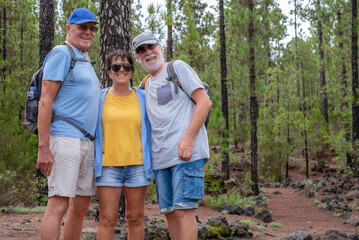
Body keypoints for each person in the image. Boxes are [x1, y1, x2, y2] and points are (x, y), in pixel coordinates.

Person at [133, 32, 212, 240]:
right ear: (138, 58)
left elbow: (204, 102)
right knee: (169, 212)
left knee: (184, 210)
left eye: (151, 46)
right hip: (161, 159)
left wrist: (188, 138)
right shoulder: (145, 85)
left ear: (160, 47)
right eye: (141, 50)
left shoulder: (177, 68)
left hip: (186, 154)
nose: (148, 52)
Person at [36, 8, 100, 240]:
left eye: (92, 28)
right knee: (59, 204)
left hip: (87, 142)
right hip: (64, 138)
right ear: (69, 28)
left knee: (81, 205)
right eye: (82, 27)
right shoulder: (62, 53)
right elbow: (46, 100)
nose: (88, 32)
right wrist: (44, 148)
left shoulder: (82, 58)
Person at [94, 49, 153, 240]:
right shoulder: (99, 99)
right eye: (116, 66)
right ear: (109, 72)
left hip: (138, 166)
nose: (121, 69)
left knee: (135, 217)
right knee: (107, 219)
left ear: (132, 70)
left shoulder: (144, 98)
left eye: (126, 66)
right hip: (107, 166)